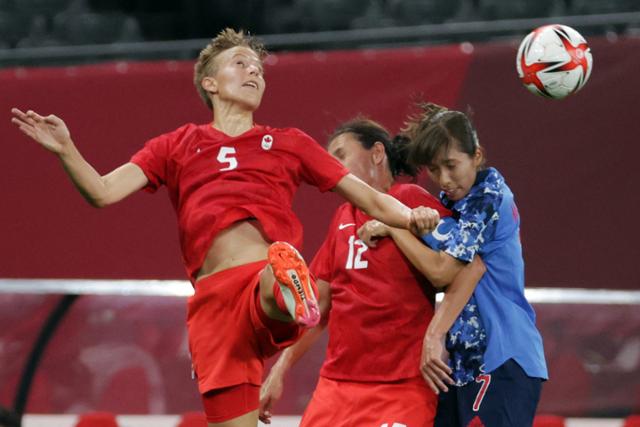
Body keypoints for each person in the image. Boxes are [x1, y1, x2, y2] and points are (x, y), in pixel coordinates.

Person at [10, 29, 440, 427]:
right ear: (210, 84)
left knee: (275, 274)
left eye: (257, 67)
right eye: (240, 63)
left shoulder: (289, 143)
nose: (253, 70)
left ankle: (287, 289)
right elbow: (102, 191)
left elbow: (367, 196)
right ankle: (289, 291)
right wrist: (66, 150)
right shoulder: (175, 145)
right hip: (212, 308)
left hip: (259, 279)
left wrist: (411, 216)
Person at [259, 118, 486, 426]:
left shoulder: (411, 202)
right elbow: (317, 306)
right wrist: (279, 370)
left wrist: (436, 335)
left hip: (402, 389)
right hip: (336, 388)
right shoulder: (342, 216)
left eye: (340, 154)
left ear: (377, 153)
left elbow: (467, 268)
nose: (330, 165)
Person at [359, 102, 548, 426]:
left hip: (504, 357)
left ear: (476, 155)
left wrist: (394, 225)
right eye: (434, 170)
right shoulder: (449, 204)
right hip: (460, 365)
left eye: (451, 165)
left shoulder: (489, 196)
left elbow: (445, 270)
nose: (444, 179)